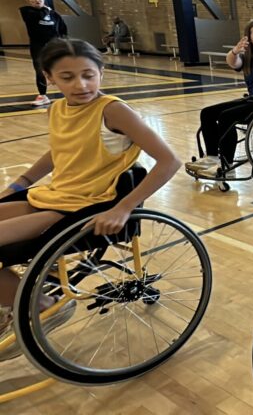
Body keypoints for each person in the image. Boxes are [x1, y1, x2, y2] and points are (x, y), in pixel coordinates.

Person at [0, 38, 181, 361]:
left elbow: (169, 161)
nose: (81, 84)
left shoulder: (113, 111)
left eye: (88, 74)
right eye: (67, 77)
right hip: (55, 194)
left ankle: (44, 305)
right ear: (49, 77)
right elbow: (60, 151)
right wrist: (21, 182)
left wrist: (124, 207)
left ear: (101, 73)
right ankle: (12, 299)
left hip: (83, 204)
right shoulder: (57, 108)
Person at [186, 19, 253, 175]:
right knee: (207, 112)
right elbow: (233, 62)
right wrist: (235, 51)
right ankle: (212, 156)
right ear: (249, 40)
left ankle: (228, 165)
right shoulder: (247, 59)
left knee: (227, 117)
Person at [19, 0, 68, 107]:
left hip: (54, 45)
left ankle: (68, 91)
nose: (36, 0)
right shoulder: (27, 12)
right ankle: (43, 95)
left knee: (61, 68)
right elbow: (40, 15)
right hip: (38, 45)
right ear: (29, 1)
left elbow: (62, 28)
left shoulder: (54, 14)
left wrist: (63, 42)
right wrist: (47, 10)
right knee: (40, 69)